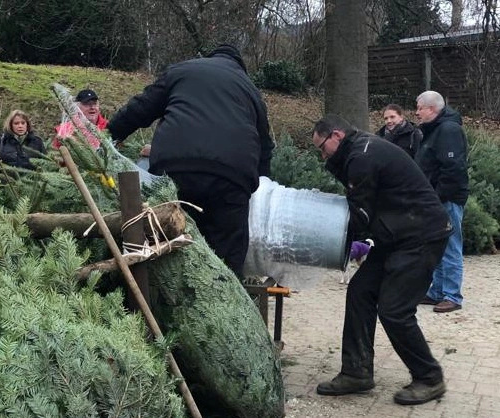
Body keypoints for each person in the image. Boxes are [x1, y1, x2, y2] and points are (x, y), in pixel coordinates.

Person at [311, 114, 452, 405]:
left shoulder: (362, 156)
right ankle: (356, 372)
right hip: (396, 235)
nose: (322, 155)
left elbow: (360, 213)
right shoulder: (359, 151)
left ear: (337, 135)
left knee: (394, 309)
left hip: (420, 235)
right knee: (360, 292)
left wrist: (323, 238)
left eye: (322, 148)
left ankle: (429, 377)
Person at [107, 44, 274, 277]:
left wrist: (109, 134)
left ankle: (163, 291)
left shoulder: (182, 70)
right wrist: (260, 186)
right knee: (227, 252)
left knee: (168, 237)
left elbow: (140, 108)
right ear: (240, 67)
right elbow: (265, 147)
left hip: (176, 168)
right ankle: (225, 293)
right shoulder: (250, 89)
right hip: (231, 179)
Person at [415, 91, 469, 313]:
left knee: (450, 245)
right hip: (435, 199)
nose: (417, 112)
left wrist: (437, 197)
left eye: (419, 108)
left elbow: (453, 168)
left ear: (432, 109)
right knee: (437, 245)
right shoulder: (434, 130)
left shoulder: (448, 130)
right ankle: (437, 291)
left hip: (447, 199)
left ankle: (452, 295)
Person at [0, 109, 46, 174]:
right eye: (16, 123)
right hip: (8, 180)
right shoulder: (1, 141)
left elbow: (46, 164)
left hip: (32, 179)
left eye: (23, 123)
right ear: (10, 125)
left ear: (27, 124)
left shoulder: (37, 141)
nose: (20, 126)